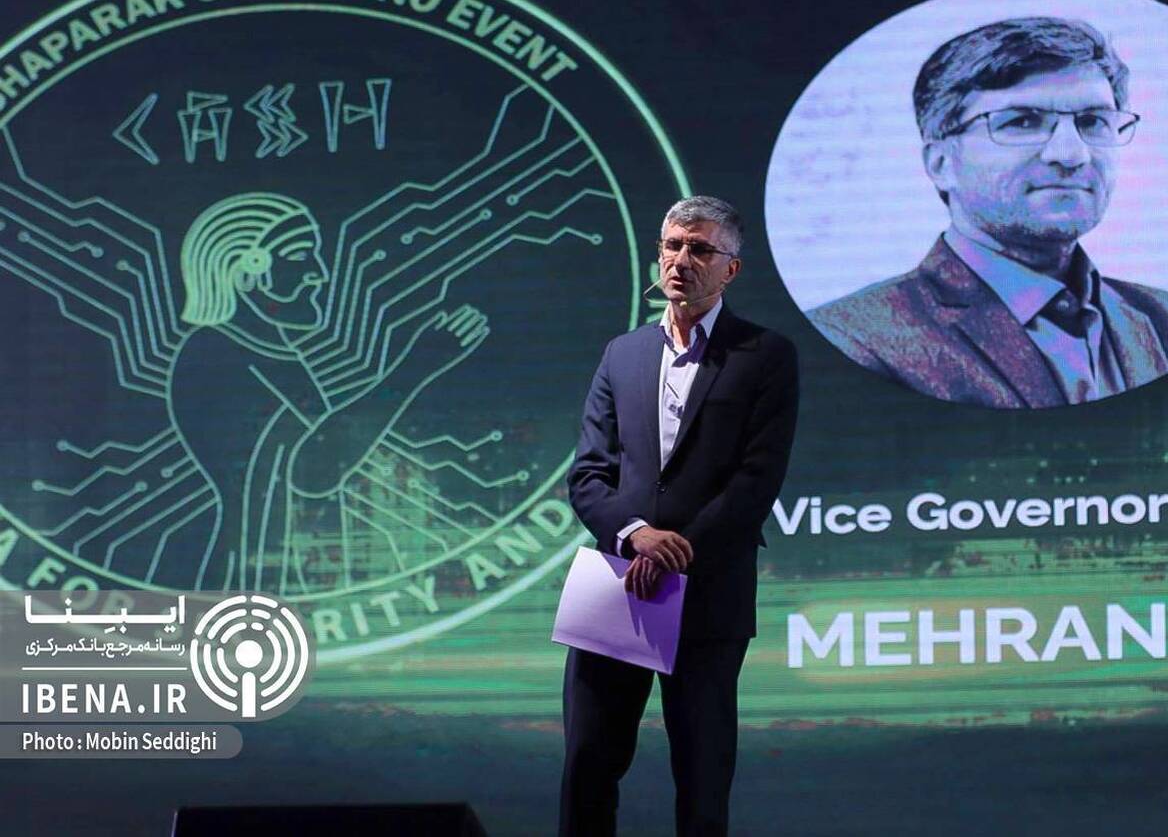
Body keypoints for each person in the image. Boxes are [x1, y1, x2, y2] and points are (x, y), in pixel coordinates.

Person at [808, 17, 1168, 408]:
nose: (1071, 154)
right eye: (1023, 121)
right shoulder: (852, 340)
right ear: (941, 163)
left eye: (1093, 121)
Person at [561, 196, 800, 836]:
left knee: (701, 777)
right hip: (619, 583)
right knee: (587, 764)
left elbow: (756, 481)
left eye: (699, 249)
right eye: (672, 245)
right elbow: (587, 474)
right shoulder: (622, 353)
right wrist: (636, 536)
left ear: (731, 269)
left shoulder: (766, 355)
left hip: (709, 589)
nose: (681, 260)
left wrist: (676, 550)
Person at [169, 192, 487, 590]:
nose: (319, 273)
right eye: (301, 256)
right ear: (250, 268)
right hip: (253, 577)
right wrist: (415, 367)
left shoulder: (261, 352)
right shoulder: (219, 354)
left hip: (281, 573)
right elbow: (313, 470)